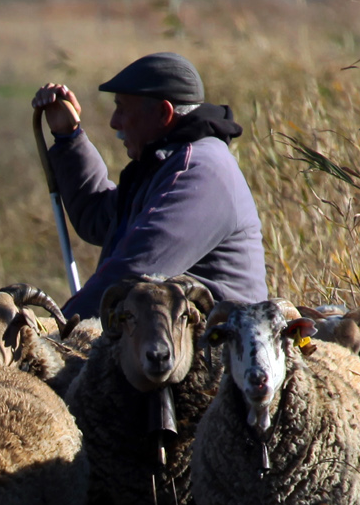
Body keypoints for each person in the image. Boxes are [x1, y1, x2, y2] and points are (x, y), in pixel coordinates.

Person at [32, 52, 267, 319]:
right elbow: (98, 217)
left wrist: (60, 331)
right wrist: (68, 136)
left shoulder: (200, 171)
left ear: (162, 113)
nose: (114, 122)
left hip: (219, 348)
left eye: (122, 108)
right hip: (170, 343)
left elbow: (134, 271)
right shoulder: (165, 164)